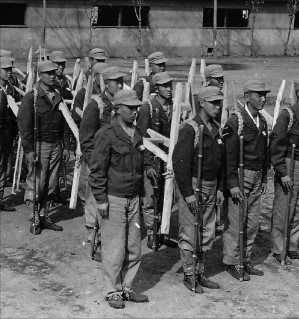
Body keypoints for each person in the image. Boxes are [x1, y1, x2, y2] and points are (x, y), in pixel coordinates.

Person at [89, 90, 151, 309]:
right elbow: (96, 170)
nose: (135, 112)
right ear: (117, 108)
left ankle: (127, 287)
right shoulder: (107, 134)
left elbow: (141, 166)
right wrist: (101, 199)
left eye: (137, 108)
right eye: (130, 108)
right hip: (113, 198)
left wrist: (143, 194)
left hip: (132, 198)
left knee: (134, 246)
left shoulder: (137, 133)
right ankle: (112, 291)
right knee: (115, 247)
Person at [173, 86, 224, 293]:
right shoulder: (190, 128)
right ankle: (189, 274)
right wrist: (187, 193)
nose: (218, 106)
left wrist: (220, 188)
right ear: (202, 103)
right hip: (194, 186)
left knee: (207, 231)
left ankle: (200, 273)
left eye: (219, 102)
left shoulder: (217, 129)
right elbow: (180, 163)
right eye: (214, 102)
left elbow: (222, 162)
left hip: (211, 187)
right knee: (190, 231)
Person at [222, 80, 270, 280]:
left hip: (257, 176)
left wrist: (265, 176)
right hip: (241, 177)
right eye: (258, 95)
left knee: (252, 222)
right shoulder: (236, 121)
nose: (263, 99)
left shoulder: (263, 121)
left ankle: (245, 259)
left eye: (264, 95)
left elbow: (264, 154)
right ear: (247, 96)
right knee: (236, 221)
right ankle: (232, 262)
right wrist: (232, 184)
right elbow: (228, 157)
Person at [17, 60, 70, 235]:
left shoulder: (57, 95)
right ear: (40, 76)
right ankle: (34, 219)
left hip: (56, 145)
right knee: (36, 184)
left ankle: (44, 217)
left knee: (52, 184)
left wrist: (66, 146)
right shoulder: (31, 98)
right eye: (49, 73)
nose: (53, 76)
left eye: (55, 73)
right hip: (39, 146)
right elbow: (25, 127)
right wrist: (29, 150)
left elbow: (64, 124)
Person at [79, 66, 125, 261]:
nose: (121, 84)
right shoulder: (96, 105)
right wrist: (94, 163)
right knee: (94, 202)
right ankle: (93, 241)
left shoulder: (123, 103)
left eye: (122, 81)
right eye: (117, 82)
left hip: (116, 164)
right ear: (107, 84)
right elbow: (86, 139)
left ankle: (108, 242)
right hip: (98, 163)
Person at [137, 71, 176, 249]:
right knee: (151, 197)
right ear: (156, 88)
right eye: (165, 86)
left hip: (168, 160)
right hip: (153, 159)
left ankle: (162, 233)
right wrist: (147, 164)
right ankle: (152, 232)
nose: (169, 89)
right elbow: (142, 138)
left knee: (166, 197)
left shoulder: (173, 106)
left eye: (170, 85)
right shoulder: (148, 108)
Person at [270, 81, 299, 264]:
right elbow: (276, 145)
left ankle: (293, 245)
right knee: (284, 206)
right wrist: (282, 171)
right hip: (290, 163)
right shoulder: (288, 115)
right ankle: (279, 247)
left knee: (298, 208)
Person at [0, 56, 20, 212]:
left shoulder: (12, 90)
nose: (9, 72)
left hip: (7, 133)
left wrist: (14, 135)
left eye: (10, 69)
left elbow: (15, 115)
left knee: (3, 165)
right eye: (5, 69)